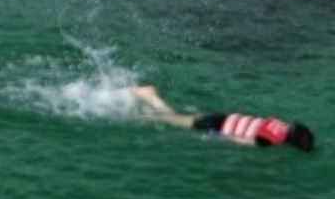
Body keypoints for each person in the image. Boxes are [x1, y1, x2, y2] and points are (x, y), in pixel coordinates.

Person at [130, 85, 315, 151]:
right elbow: (236, 140)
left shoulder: (279, 124)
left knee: (179, 117)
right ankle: (150, 96)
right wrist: (213, 137)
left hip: (223, 116)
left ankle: (150, 98)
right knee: (168, 119)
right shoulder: (267, 142)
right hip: (216, 125)